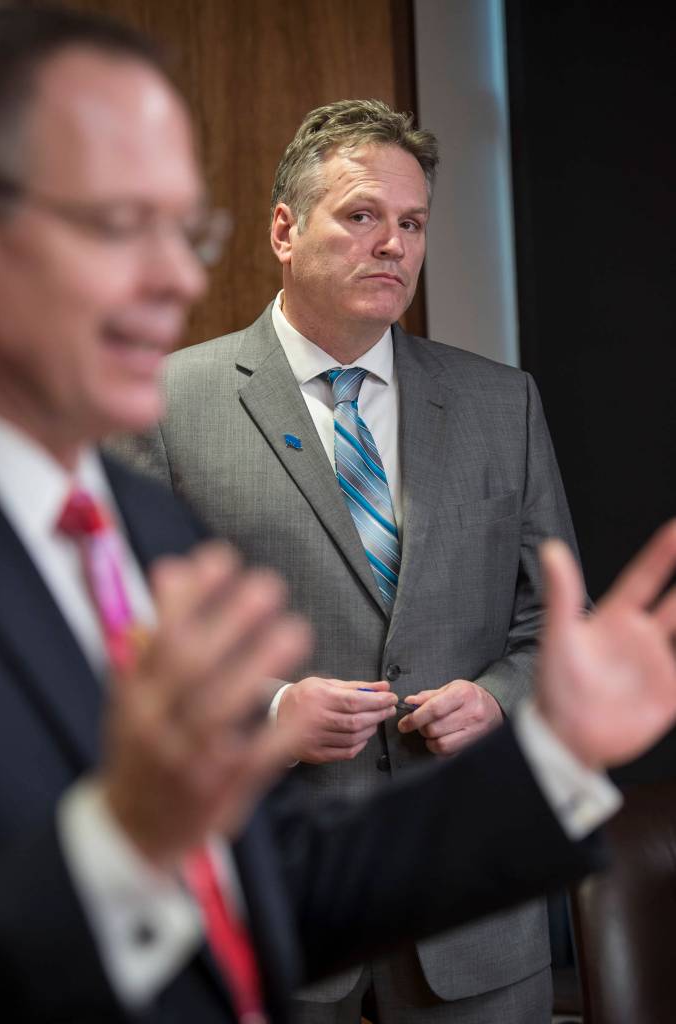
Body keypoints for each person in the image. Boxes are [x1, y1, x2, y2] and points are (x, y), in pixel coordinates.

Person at [0, 5, 675, 1024]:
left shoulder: (116, 518)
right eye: (115, 224)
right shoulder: (138, 443)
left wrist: (550, 748)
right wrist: (133, 839)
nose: (178, 278)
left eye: (184, 230)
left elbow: (287, 887)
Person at [113, 99, 579, 1022]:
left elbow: (558, 629)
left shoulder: (502, 404)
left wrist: (497, 698)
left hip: (474, 916)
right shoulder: (165, 404)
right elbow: (117, 636)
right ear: (285, 230)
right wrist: (272, 708)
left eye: (411, 224)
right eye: (362, 216)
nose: (393, 245)